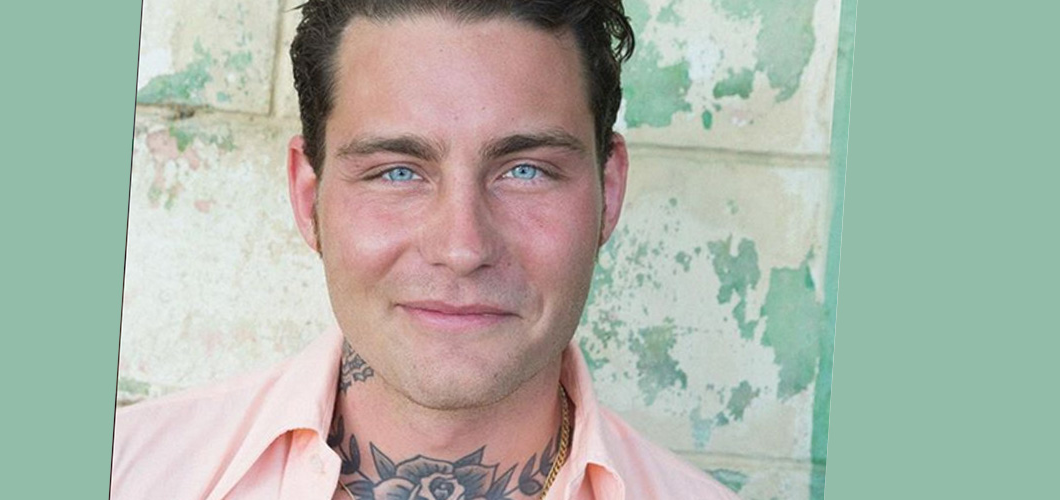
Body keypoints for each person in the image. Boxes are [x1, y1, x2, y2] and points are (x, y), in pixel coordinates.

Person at [111, 1, 740, 499]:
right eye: (397, 172)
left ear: (609, 190)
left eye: (525, 171)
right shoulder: (123, 475)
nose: (462, 248)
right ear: (308, 198)